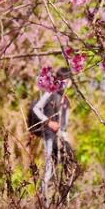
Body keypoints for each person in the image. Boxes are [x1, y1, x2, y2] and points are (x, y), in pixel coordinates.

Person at [29, 67, 72, 195]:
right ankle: (43, 196)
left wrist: (64, 134)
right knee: (49, 166)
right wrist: (48, 122)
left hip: (61, 135)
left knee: (66, 162)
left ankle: (62, 194)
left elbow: (65, 122)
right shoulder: (50, 92)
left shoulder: (65, 97)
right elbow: (36, 108)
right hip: (50, 135)